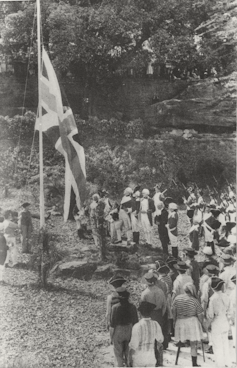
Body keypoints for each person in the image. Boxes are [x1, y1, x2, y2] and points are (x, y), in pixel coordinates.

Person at [172, 283, 204, 367]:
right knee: (193, 344)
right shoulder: (194, 300)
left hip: (180, 322)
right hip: (192, 322)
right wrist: (201, 324)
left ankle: (177, 358)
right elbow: (200, 314)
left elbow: (173, 310)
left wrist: (174, 321)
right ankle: (194, 363)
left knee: (182, 341)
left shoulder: (177, 298)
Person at [128, 301, 164, 367]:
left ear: (140, 313)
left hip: (139, 358)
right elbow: (160, 340)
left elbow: (133, 345)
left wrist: (129, 358)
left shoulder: (137, 326)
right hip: (151, 358)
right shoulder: (155, 324)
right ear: (151, 312)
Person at [206, 277, 232, 368]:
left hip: (216, 323)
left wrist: (208, 325)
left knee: (217, 346)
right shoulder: (226, 296)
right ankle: (228, 363)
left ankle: (220, 365)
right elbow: (230, 311)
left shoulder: (213, 299)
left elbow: (210, 315)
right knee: (225, 344)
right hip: (224, 321)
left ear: (213, 287)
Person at [110, 287, 138, 367]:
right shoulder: (132, 307)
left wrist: (111, 337)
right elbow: (136, 322)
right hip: (129, 329)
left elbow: (112, 325)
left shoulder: (115, 307)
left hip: (118, 331)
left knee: (118, 354)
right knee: (128, 353)